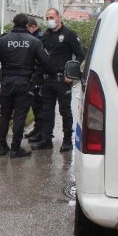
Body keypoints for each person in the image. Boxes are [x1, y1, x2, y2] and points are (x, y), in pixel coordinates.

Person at [0, 14, 49, 158]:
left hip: (7, 82)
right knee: (19, 116)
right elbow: (46, 62)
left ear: (13, 23)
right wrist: (36, 74)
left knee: (5, 115)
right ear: (27, 25)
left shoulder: (3, 40)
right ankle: (15, 148)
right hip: (24, 83)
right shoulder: (34, 41)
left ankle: (3, 146)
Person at [32, 8, 84, 153]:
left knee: (65, 111)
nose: (50, 20)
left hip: (63, 80)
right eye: (47, 18)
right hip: (47, 80)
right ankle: (46, 140)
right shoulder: (45, 35)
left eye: (52, 17)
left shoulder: (69, 34)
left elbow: (80, 55)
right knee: (47, 111)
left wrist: (71, 74)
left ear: (59, 17)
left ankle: (67, 141)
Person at [24, 17, 45, 140]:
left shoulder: (39, 38)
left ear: (32, 27)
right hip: (34, 76)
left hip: (39, 77)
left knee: (39, 106)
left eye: (27, 28)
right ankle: (37, 129)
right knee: (35, 105)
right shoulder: (35, 37)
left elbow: (41, 59)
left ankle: (41, 132)